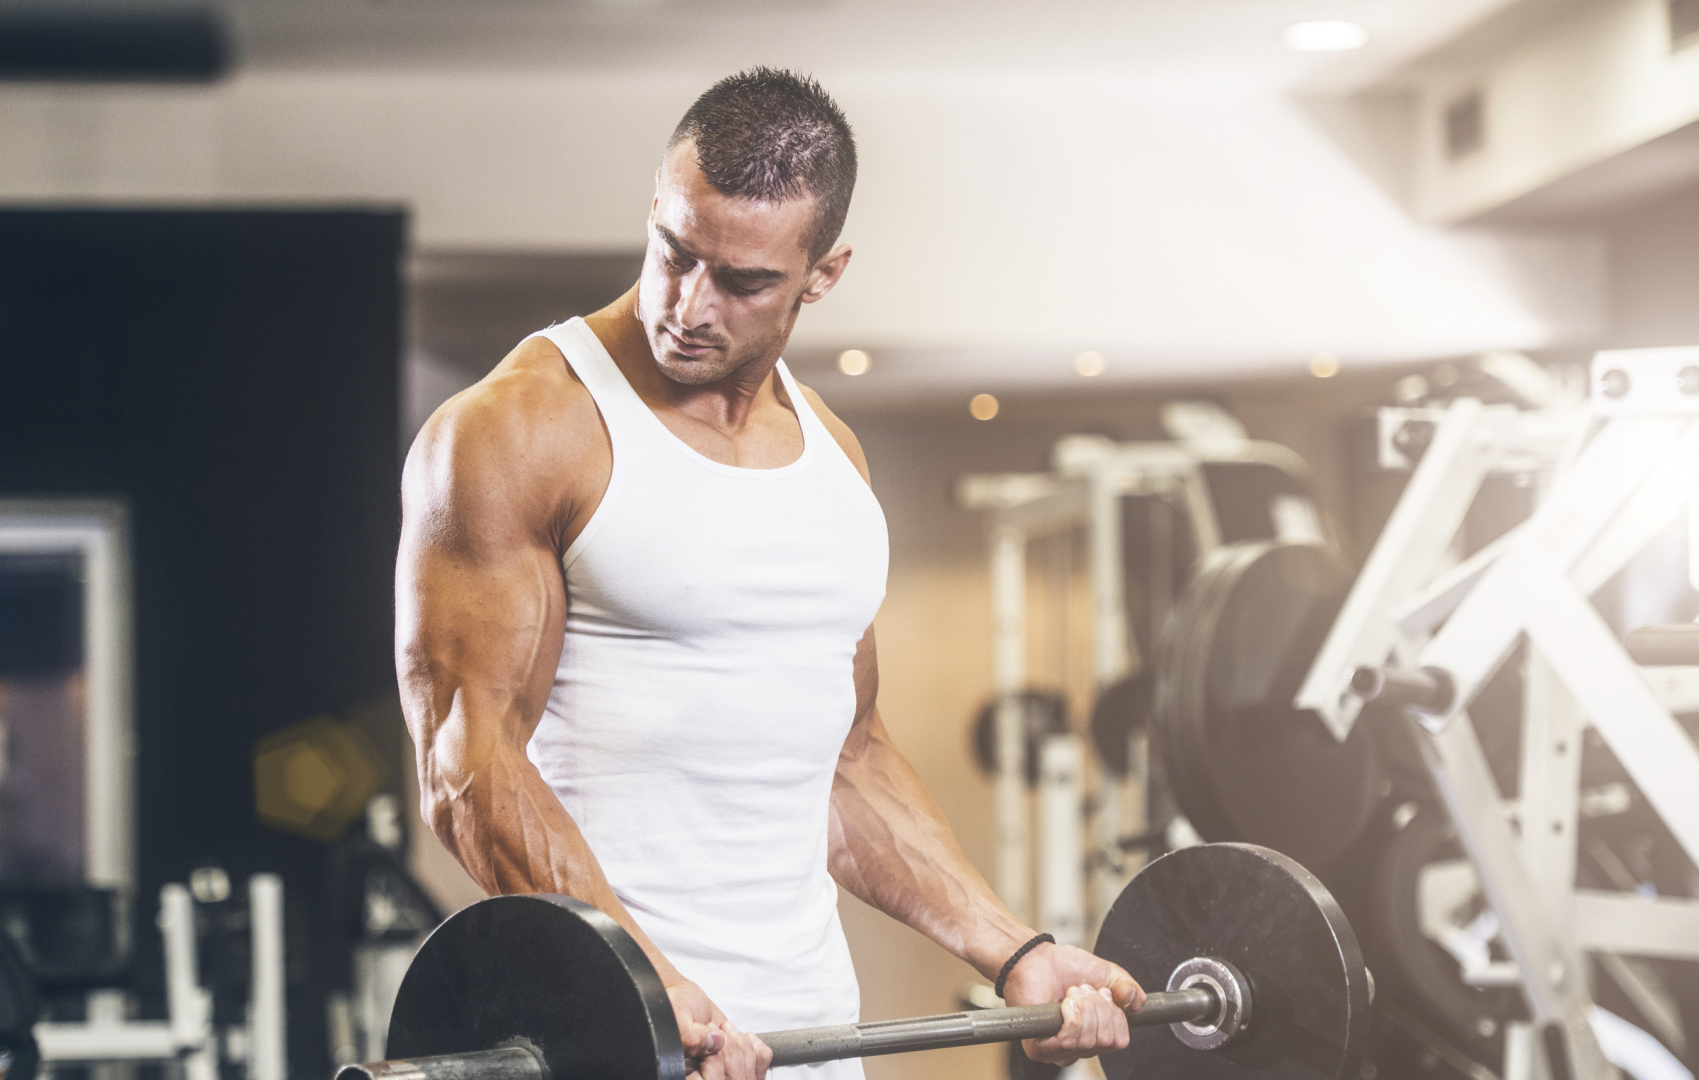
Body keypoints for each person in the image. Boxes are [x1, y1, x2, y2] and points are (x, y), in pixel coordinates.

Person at [394, 68, 1141, 1080]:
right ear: (657, 207)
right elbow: (466, 761)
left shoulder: (832, 460)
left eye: (742, 281)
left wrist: (1014, 949)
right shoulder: (518, 429)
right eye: (673, 252)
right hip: (616, 1046)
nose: (689, 306)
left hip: (810, 1039)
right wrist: (644, 997)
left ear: (823, 274)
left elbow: (848, 762)